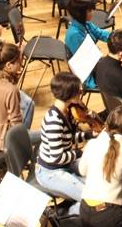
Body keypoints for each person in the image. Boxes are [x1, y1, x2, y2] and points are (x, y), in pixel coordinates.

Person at [36, 73, 93, 213]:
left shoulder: (67, 111)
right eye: (78, 91)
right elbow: (57, 157)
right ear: (70, 95)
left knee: (98, 186)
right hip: (51, 172)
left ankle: (66, 206)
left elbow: (68, 138)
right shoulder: (54, 121)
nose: (81, 92)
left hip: (64, 164)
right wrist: (80, 153)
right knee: (91, 201)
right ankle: (65, 216)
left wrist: (89, 135)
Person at [0, 41, 38, 150]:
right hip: (2, 142)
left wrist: (13, 78)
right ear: (8, 65)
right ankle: (24, 156)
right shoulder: (11, 90)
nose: (21, 65)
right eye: (19, 62)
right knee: (44, 136)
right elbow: (16, 127)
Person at [64, 0, 112, 90]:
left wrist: (120, 36)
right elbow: (84, 61)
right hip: (86, 71)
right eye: (89, 10)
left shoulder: (86, 24)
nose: (92, 12)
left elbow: (101, 33)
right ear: (80, 13)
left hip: (93, 61)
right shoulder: (74, 34)